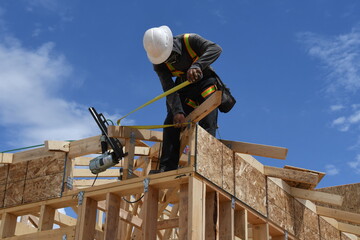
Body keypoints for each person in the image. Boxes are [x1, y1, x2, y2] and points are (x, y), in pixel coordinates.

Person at [143, 25, 222, 172]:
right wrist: (178, 111)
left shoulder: (190, 40)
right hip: (185, 89)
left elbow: (216, 49)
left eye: (170, 56)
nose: (169, 61)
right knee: (171, 122)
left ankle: (207, 165)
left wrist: (198, 66)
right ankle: (167, 168)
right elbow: (169, 88)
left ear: (171, 44)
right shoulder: (158, 64)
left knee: (208, 119)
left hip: (205, 81)